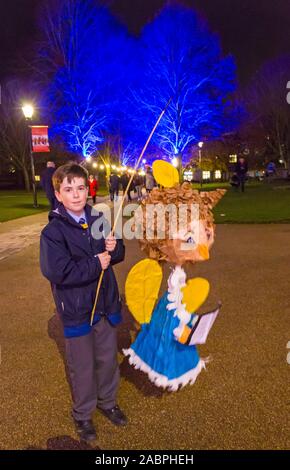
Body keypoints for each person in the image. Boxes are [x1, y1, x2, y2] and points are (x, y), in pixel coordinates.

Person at [40, 162, 127, 442]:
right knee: (83, 365)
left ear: (87, 189)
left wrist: (114, 249)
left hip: (104, 304)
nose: (76, 194)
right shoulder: (53, 233)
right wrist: (95, 263)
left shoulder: (99, 217)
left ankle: (108, 402)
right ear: (58, 194)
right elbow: (57, 271)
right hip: (77, 309)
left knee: (106, 359)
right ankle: (83, 414)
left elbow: (118, 251)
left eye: (80, 188)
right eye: (69, 189)